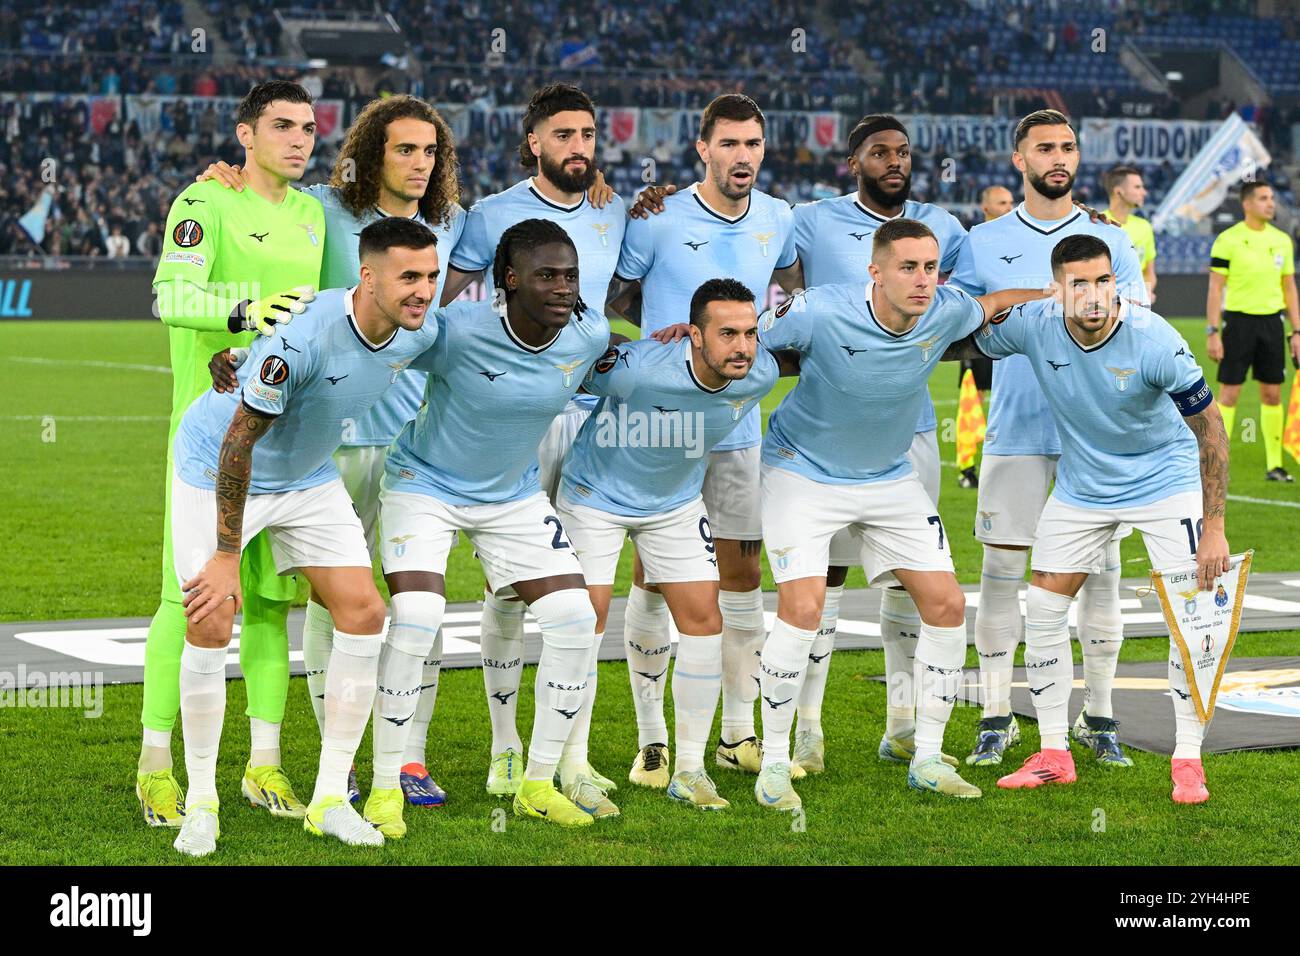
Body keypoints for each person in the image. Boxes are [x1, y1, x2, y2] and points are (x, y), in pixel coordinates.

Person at [200, 94, 467, 809]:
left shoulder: (451, 223)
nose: (419, 163)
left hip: (413, 444)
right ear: (372, 152)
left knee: (417, 598)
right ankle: (338, 758)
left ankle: (408, 756)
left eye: (430, 151)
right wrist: (226, 176)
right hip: (328, 442)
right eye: (404, 149)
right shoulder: (323, 208)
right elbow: (264, 215)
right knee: (334, 603)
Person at [752, 217, 1049, 809]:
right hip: (801, 472)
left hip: (889, 478)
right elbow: (746, 336)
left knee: (946, 604)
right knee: (804, 607)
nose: (922, 280)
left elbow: (991, 304)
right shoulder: (817, 310)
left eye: (931, 267)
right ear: (876, 271)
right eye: (908, 267)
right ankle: (777, 762)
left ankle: (927, 756)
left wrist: (1055, 294)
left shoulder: (944, 309)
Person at [167, 217, 442, 855]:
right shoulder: (306, 336)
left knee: (364, 611)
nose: (423, 290)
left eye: (430, 276)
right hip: (216, 464)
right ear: (367, 277)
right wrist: (228, 557)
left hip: (307, 474)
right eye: (409, 277)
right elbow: (239, 443)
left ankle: (328, 800)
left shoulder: (413, 329)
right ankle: (201, 801)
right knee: (211, 616)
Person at [374, 219, 615, 832]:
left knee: (575, 619)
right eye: (547, 276)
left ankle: (536, 782)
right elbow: (368, 338)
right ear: (509, 280)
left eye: (571, 277)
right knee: (419, 617)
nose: (563, 288)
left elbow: (620, 362)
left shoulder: (587, 333)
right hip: (423, 483)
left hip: (511, 496)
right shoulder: (455, 330)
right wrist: (249, 355)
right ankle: (386, 783)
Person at [976, 234, 1231, 804]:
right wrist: (1018, 295)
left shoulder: (1153, 338)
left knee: (1193, 617)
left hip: (1164, 482)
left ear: (1116, 282)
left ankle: (1187, 761)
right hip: (1084, 486)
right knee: (1042, 608)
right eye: (1078, 284)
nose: (1094, 296)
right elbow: (970, 321)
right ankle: (1053, 753)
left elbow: (1212, 431)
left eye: (1103, 281)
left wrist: (1212, 526)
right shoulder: (1036, 323)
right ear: (1057, 288)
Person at [139, 80, 324, 830]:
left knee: (274, 605)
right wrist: (241, 314)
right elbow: (167, 297)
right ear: (244, 136)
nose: (300, 138)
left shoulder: (313, 215)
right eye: (282, 126)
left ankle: (264, 765)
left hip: (289, 439)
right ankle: (156, 766)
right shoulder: (204, 203)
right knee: (188, 600)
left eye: (309, 127)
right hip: (208, 439)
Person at [437, 84, 624, 798]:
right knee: (509, 586)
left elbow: (618, 300)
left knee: (581, 589)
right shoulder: (493, 216)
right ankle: (505, 747)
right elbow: (451, 308)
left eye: (588, 134)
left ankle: (571, 755)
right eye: (564, 135)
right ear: (534, 143)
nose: (579, 147)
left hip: (594, 418)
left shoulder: (612, 210)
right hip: (516, 416)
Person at [949, 109, 1149, 769]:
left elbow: (1140, 323)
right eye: (1044, 148)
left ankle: (1099, 716)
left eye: (1067, 147)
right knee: (1003, 573)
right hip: (1018, 425)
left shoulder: (1110, 240)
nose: (1058, 158)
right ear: (1019, 159)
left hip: (1097, 434)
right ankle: (996, 717)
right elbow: (965, 329)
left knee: (1102, 575)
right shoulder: (983, 241)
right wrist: (1031, 302)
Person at [608, 93, 800, 778]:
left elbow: (788, 296)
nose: (742, 156)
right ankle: (651, 739)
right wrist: (650, 352)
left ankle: (737, 734)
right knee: (657, 575)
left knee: (742, 572)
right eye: (730, 144)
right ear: (703, 149)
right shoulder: (657, 218)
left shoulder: (778, 219)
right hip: (661, 427)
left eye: (753, 144)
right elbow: (612, 305)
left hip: (737, 424)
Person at [784, 114, 968, 776]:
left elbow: (971, 304)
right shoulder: (809, 219)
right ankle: (807, 730)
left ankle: (903, 724)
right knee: (823, 580)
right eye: (879, 152)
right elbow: (757, 259)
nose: (895, 161)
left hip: (910, 430)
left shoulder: (942, 227)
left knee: (910, 583)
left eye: (903, 152)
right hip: (826, 441)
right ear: (852, 161)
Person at [559, 278, 780, 805]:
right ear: (695, 337)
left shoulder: (761, 374)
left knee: (705, 620)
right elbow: (573, 370)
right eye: (727, 334)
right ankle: (572, 765)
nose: (743, 347)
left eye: (750, 333)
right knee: (583, 624)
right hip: (595, 496)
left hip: (675, 504)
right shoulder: (641, 366)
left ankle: (689, 769)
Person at [1206, 181, 1300, 483]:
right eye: (1263, 198)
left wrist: (1297, 330)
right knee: (1230, 393)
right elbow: (1215, 287)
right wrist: (1213, 330)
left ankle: (1275, 466)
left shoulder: (1282, 240)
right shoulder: (1228, 240)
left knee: (1273, 393)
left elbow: (1289, 287)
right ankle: (1217, 461)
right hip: (1239, 323)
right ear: (1247, 204)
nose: (1271, 203)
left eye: (1272, 198)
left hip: (1273, 323)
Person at [955, 186, 1012, 488]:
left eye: (1011, 202)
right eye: (1002, 202)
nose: (1009, 207)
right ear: (985, 206)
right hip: (979, 336)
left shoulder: (1018, 238)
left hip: (1012, 337)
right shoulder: (975, 241)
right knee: (971, 402)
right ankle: (966, 467)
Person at [1103, 164, 1157, 302]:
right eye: (1137, 187)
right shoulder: (1098, 224)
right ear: (1118, 191)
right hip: (1107, 305)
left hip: (1138, 304)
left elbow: (1149, 272)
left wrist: (1146, 291)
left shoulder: (1145, 227)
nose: (1144, 192)